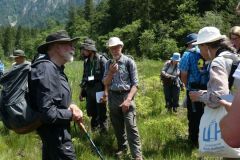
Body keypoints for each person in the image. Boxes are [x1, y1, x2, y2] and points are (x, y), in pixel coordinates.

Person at [29, 30, 83, 160]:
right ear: (57, 47)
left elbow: (58, 98)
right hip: (56, 136)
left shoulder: (57, 68)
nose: (73, 48)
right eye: (69, 44)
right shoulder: (46, 69)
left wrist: (72, 105)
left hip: (56, 134)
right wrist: (72, 114)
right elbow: (48, 113)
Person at [189, 27, 238, 159]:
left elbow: (218, 97)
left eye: (200, 47)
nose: (200, 51)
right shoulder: (234, 57)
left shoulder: (217, 62)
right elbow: (230, 92)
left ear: (206, 46)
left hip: (232, 122)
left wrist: (200, 96)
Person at [103, 37, 143, 160]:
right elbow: (105, 82)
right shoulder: (108, 64)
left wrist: (128, 99)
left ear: (121, 47)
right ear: (109, 49)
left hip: (127, 95)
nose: (115, 50)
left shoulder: (129, 62)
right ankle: (123, 149)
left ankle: (137, 155)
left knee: (131, 126)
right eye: (112, 48)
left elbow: (135, 84)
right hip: (113, 96)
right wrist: (110, 73)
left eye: (117, 47)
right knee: (117, 125)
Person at [179, 33, 208, 147]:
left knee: (193, 116)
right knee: (207, 114)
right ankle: (206, 139)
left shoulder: (187, 54)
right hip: (208, 89)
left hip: (193, 89)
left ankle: (193, 141)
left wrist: (187, 86)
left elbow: (184, 74)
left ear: (187, 44)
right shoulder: (207, 51)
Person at [79, 38, 108, 133]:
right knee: (92, 112)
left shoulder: (101, 60)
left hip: (99, 89)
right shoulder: (86, 61)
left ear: (90, 50)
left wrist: (105, 93)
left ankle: (104, 134)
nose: (83, 51)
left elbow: (106, 78)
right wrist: (81, 92)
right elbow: (84, 77)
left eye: (84, 49)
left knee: (101, 112)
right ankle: (94, 132)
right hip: (89, 90)